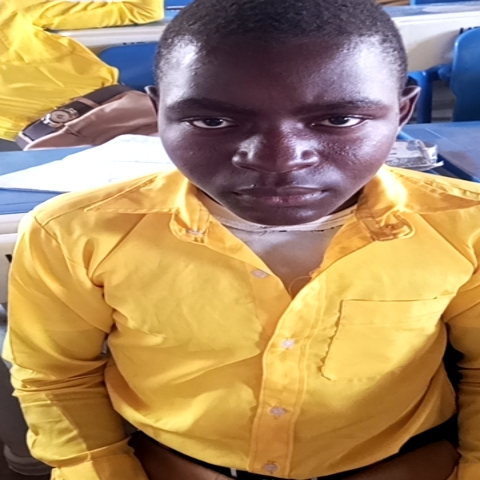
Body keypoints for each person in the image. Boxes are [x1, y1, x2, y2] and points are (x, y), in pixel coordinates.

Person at [4, 0, 479, 479]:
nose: (278, 159)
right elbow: (58, 377)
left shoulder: (466, 225)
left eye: (338, 120)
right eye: (212, 121)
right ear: (158, 112)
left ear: (402, 112)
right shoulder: (75, 233)